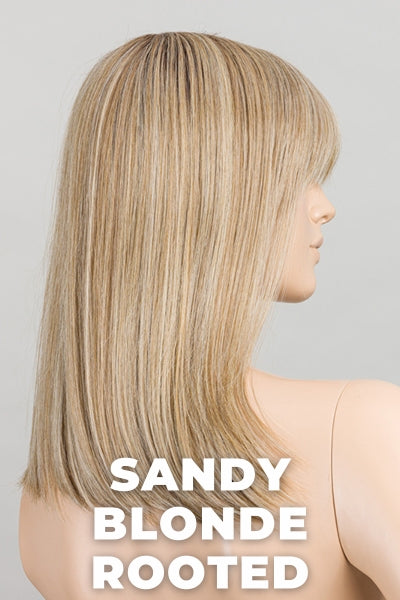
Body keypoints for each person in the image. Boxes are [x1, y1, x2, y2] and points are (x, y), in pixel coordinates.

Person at [18, 31, 399, 599]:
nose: (324, 206)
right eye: (296, 175)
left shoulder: (48, 500)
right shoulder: (355, 431)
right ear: (216, 196)